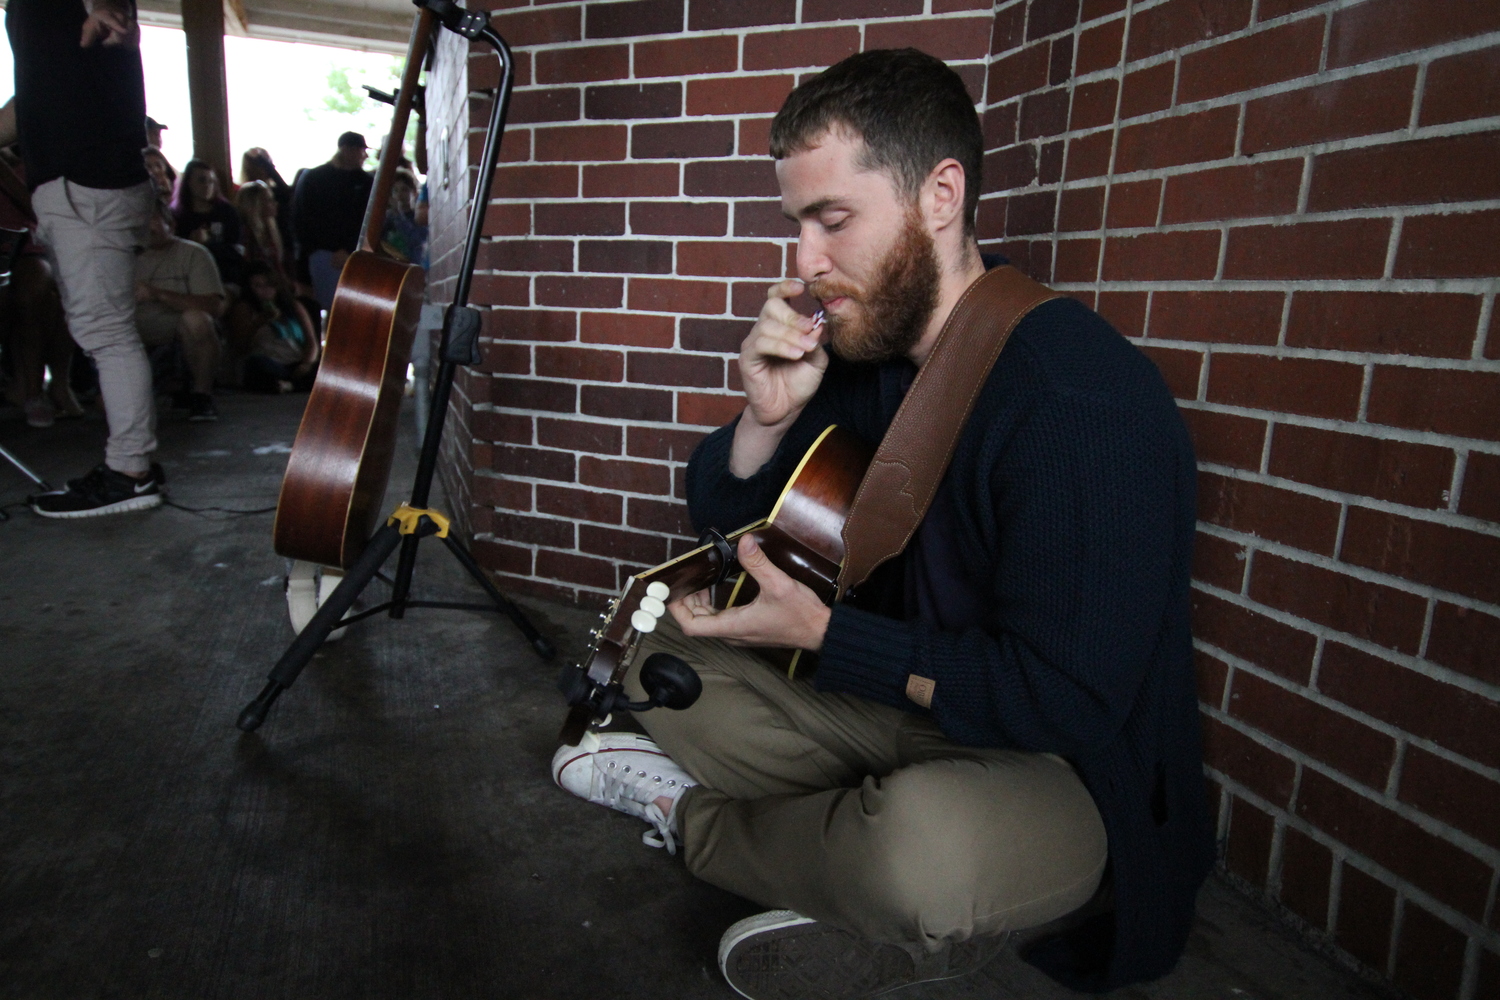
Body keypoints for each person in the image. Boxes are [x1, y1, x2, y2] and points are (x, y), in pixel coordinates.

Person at [550, 49, 1212, 999]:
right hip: (896, 710)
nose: (805, 262)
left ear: (941, 195)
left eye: (834, 220)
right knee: (662, 662)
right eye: (797, 223)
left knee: (919, 850)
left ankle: (713, 826)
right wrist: (766, 418)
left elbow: (1067, 701)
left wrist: (827, 636)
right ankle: (841, 868)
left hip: (1054, 772)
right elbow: (736, 514)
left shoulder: (1077, 401)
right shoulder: (871, 363)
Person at [5, 0, 165, 517]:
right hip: (82, 182)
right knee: (102, 330)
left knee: (106, 332)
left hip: (87, 182)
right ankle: (131, 467)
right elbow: (32, 100)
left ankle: (130, 472)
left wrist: (106, 11)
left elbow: (110, 9)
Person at [136, 202, 225, 421]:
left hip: (176, 328)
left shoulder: (193, 254)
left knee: (198, 320)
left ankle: (202, 395)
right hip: (131, 329)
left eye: (154, 219)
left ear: (171, 224)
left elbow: (213, 306)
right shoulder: (122, 256)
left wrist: (158, 294)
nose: (147, 226)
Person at [291, 131, 371, 311]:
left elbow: (369, 221)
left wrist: (351, 249)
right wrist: (314, 250)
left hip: (354, 255)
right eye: (361, 150)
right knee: (330, 308)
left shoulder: (366, 183)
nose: (364, 156)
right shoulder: (314, 178)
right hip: (321, 254)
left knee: (350, 310)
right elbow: (302, 218)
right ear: (347, 150)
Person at [229, 260, 318, 393]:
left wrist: (306, 363)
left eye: (269, 285)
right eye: (258, 286)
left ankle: (290, 385)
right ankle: (292, 385)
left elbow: (312, 341)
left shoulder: (293, 306)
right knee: (256, 366)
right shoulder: (244, 308)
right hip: (269, 361)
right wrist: (259, 322)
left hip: (295, 360)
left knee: (328, 369)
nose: (265, 291)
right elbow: (240, 346)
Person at [170, 157, 243, 287]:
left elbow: (237, 251)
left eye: (211, 181)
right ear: (189, 183)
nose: (207, 185)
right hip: (188, 278)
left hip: (224, 275)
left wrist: (208, 244)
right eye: (202, 180)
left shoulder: (227, 212)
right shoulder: (178, 216)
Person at [240, 146, 292, 272]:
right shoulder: (247, 193)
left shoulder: (275, 193)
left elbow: (286, 193)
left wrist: (267, 164)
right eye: (259, 163)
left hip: (278, 240)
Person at [235, 180, 284, 277]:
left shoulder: (270, 230)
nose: (275, 203)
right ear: (256, 205)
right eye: (269, 200)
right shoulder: (245, 234)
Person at [380, 167, 427, 266]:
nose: (399, 195)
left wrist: (398, 216)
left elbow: (417, 241)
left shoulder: (418, 217)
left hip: (412, 267)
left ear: (414, 192)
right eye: (395, 190)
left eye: (404, 190)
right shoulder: (386, 218)